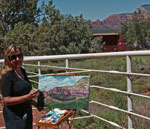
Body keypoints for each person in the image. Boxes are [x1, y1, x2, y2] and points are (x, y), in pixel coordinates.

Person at [0, 44, 39, 129]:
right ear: (8, 59)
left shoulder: (22, 71)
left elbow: (25, 93)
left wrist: (36, 104)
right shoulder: (7, 75)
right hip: (15, 118)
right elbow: (6, 100)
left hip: (26, 114)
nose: (17, 59)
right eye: (13, 57)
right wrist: (28, 96)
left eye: (19, 56)